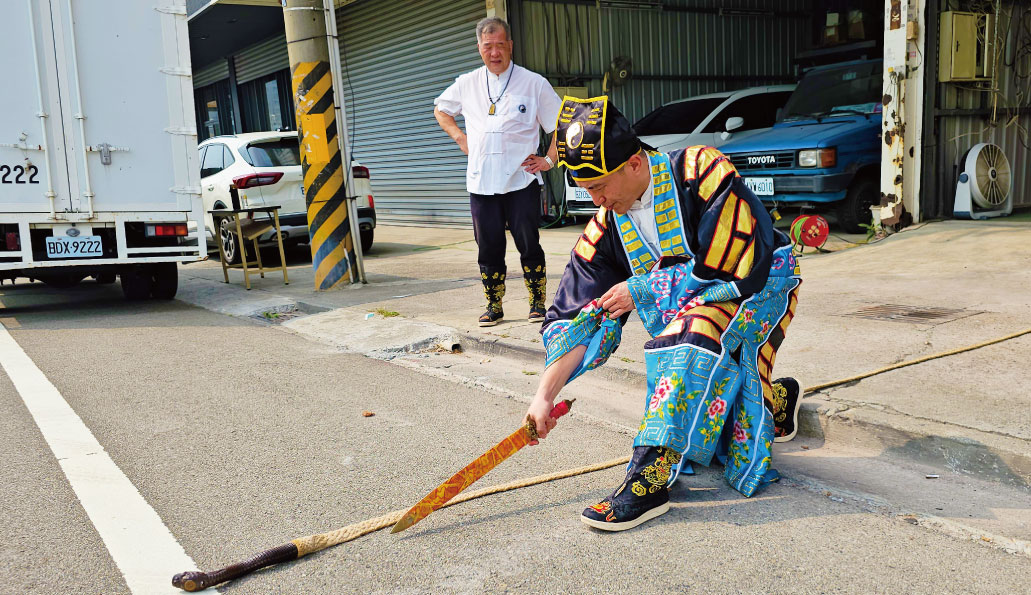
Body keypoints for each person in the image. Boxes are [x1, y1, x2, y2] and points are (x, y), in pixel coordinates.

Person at [524, 96, 803, 531]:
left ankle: (649, 478)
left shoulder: (701, 170)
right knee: (718, 429)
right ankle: (778, 400)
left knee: (693, 332)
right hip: (707, 301)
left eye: (600, 186)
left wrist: (644, 288)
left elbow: (732, 264)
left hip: (761, 286)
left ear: (635, 163)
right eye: (586, 189)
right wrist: (544, 395)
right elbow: (581, 315)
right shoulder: (607, 222)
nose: (596, 199)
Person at [433, 17, 561, 327]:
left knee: (528, 242)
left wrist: (549, 159)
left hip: (521, 180)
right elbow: (441, 108)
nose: (494, 53)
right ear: (479, 48)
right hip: (481, 181)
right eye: (488, 47)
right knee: (488, 246)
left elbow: (562, 122)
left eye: (500, 46)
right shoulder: (468, 83)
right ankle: (494, 304)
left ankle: (537, 302)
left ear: (510, 46)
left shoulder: (533, 83)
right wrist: (460, 137)